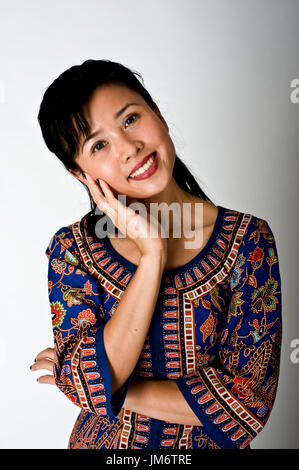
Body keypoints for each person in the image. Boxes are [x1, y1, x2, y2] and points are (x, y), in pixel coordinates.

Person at [30, 59, 282, 449]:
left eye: (130, 119)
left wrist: (106, 388)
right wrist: (151, 255)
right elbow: (87, 380)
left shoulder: (248, 242)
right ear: (81, 174)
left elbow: (248, 406)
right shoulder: (73, 251)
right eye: (99, 145)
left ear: (158, 115)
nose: (129, 148)